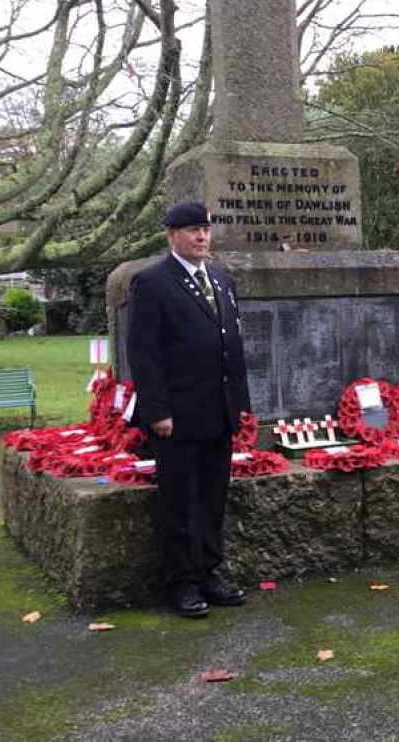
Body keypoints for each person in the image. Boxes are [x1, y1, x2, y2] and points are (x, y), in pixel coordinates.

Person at [127, 201, 251, 617]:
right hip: (177, 416)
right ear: (172, 235)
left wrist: (240, 405)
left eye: (205, 230)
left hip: (218, 411)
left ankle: (210, 574)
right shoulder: (152, 282)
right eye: (193, 230)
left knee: (213, 497)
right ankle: (182, 583)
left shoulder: (221, 280)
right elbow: (144, 354)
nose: (202, 237)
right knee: (180, 501)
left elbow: (231, 347)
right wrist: (158, 410)